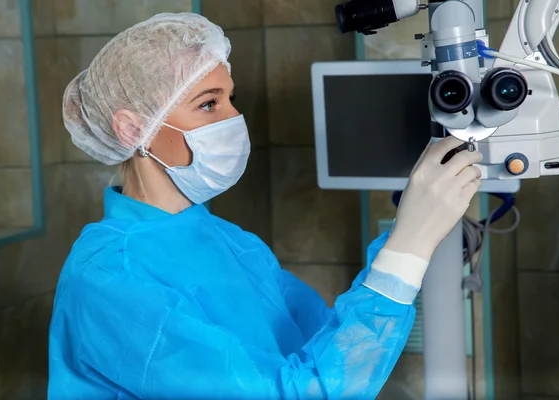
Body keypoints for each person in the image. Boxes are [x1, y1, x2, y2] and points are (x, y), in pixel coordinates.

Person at [48, 12, 483, 399]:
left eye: (229, 99)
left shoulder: (228, 241)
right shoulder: (108, 279)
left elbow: (331, 349)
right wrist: (408, 247)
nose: (233, 119)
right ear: (131, 129)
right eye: (208, 104)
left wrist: (412, 234)